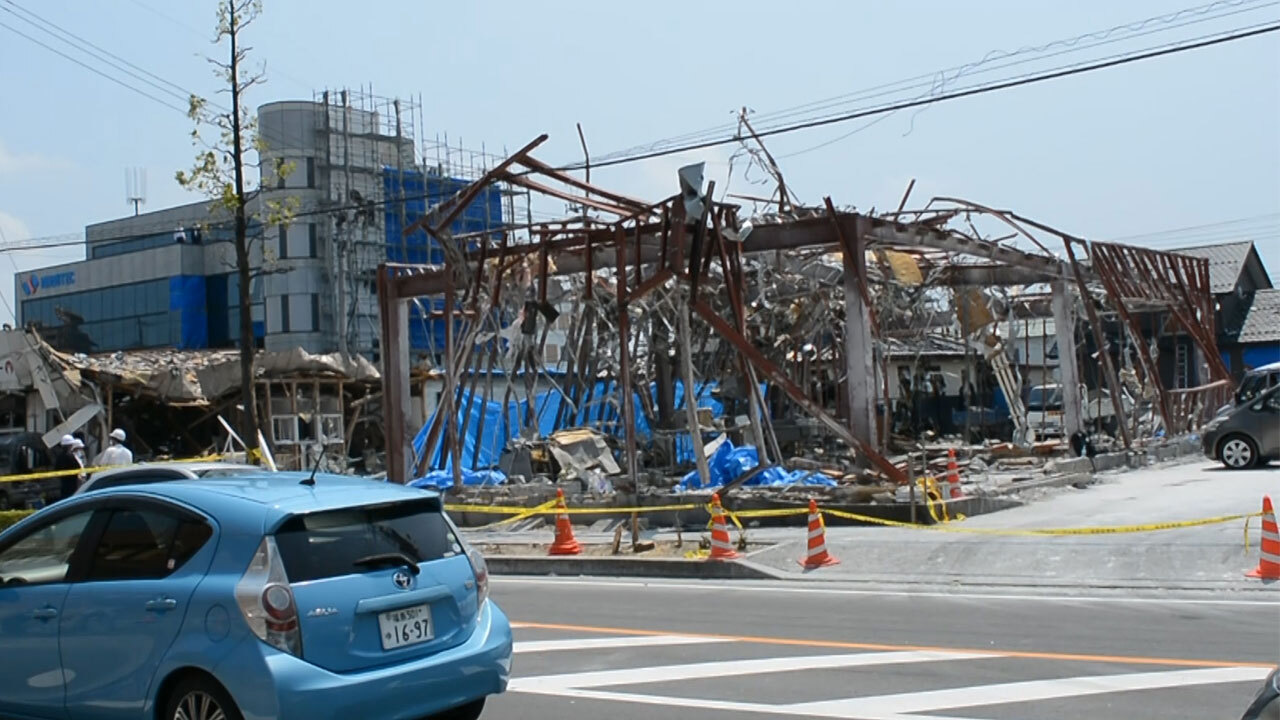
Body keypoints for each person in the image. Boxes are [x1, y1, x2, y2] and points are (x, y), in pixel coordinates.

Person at [53, 434, 81, 500]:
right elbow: (78, 468)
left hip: (63, 484)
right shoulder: (70, 456)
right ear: (70, 445)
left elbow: (56, 469)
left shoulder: (59, 456)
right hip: (72, 484)